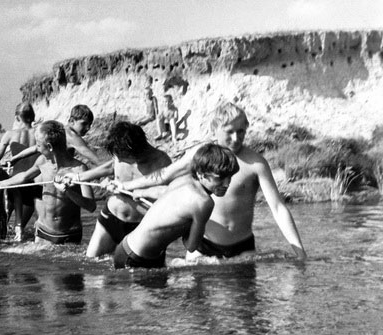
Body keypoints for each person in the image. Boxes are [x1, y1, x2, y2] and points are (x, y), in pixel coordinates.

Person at [120, 102, 307, 260]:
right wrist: (126, 186)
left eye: (241, 131)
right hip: (203, 247)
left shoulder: (256, 163)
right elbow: (165, 175)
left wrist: (299, 251)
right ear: (215, 129)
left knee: (245, 304)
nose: (236, 138)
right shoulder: (201, 155)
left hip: (243, 248)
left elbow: (278, 208)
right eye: (229, 132)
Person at [113, 143, 239, 269]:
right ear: (201, 174)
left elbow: (162, 191)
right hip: (137, 259)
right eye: (220, 178)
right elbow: (191, 246)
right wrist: (186, 231)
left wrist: (141, 192)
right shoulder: (204, 202)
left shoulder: (184, 180)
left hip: (126, 247)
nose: (227, 184)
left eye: (230, 177)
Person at [63, 121, 171, 257]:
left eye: (122, 157)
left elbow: (166, 200)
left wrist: (123, 190)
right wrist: (78, 177)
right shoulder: (119, 151)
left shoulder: (162, 162)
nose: (118, 160)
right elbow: (109, 167)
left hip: (143, 226)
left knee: (143, 274)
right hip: (111, 217)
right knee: (91, 264)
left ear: (132, 148)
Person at [0, 120, 96, 244]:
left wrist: (67, 191)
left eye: (39, 145)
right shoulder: (42, 161)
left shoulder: (79, 169)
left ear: (50, 147)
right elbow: (24, 176)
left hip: (69, 234)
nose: (37, 149)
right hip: (43, 231)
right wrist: (3, 183)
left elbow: (91, 206)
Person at [0, 102, 39, 240]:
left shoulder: (10, 134)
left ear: (17, 117)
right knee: (20, 229)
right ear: (33, 116)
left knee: (2, 223)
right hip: (34, 181)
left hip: (14, 181)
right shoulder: (40, 133)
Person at [9, 104, 101, 167]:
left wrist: (15, 158)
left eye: (90, 124)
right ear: (72, 121)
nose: (88, 128)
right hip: (57, 173)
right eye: (84, 124)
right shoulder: (72, 136)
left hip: (43, 170)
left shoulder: (57, 130)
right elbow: (95, 159)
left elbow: (36, 148)